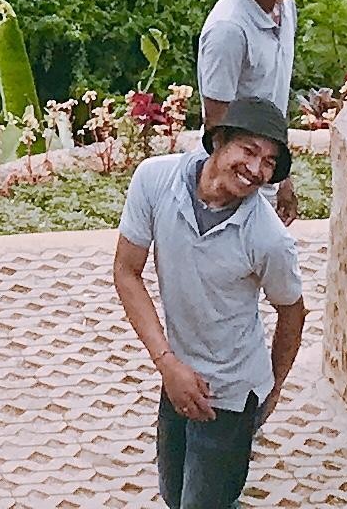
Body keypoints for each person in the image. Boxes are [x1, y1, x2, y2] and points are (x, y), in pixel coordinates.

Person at [114, 95, 307, 508]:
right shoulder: (155, 181)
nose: (256, 169)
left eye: (270, 162)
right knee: (174, 495)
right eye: (249, 150)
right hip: (178, 375)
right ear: (218, 141)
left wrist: (269, 390)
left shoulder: (269, 239)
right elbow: (126, 272)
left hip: (232, 395)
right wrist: (168, 363)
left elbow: (293, 313)